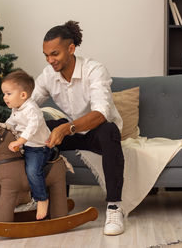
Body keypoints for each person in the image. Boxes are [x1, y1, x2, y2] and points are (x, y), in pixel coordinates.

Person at [32, 20, 125, 235]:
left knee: (110, 131)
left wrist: (66, 128)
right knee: (40, 128)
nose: (50, 60)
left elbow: (101, 114)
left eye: (54, 54)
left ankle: (114, 207)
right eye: (46, 55)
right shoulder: (48, 74)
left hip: (98, 131)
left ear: (71, 49)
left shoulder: (95, 69)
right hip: (73, 131)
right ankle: (41, 199)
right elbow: (29, 102)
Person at [1, 69, 52, 220]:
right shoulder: (16, 108)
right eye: (4, 93)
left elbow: (33, 126)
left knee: (32, 171)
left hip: (39, 148)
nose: (5, 97)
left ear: (23, 95)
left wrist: (20, 141)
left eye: (8, 93)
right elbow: (10, 122)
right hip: (26, 146)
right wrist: (2, 130)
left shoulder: (32, 109)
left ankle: (42, 199)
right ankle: (23, 198)